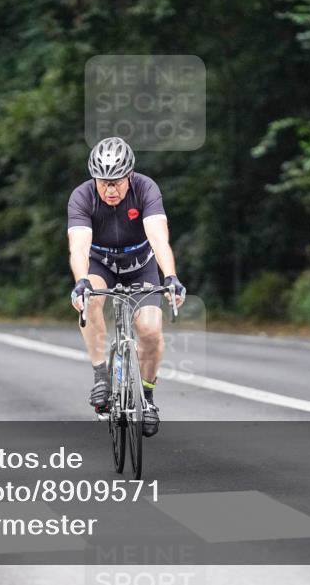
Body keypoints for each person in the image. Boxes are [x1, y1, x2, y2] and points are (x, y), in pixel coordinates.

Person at [67, 137, 186, 437]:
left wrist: (170, 276)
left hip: (140, 265)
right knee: (90, 299)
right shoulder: (82, 196)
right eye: (103, 182)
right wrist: (81, 282)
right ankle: (100, 376)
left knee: (150, 330)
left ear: (130, 176)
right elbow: (79, 247)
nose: (110, 190)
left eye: (117, 182)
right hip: (100, 264)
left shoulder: (146, 189)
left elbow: (158, 238)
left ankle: (147, 396)